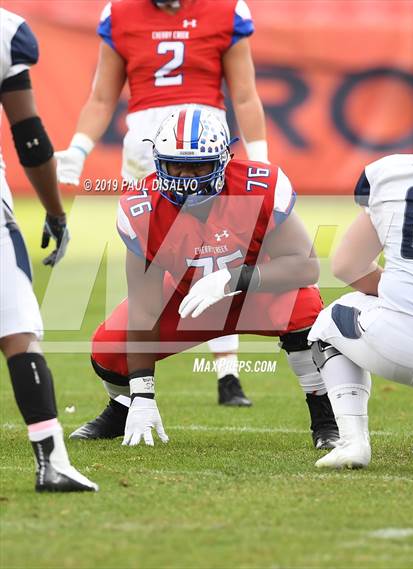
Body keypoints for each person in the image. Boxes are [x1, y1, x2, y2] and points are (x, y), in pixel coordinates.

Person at [77, 107, 340, 449]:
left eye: (199, 165)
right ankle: (123, 408)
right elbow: (144, 307)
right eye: (177, 165)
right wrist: (143, 392)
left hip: (256, 294)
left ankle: (324, 418)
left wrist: (232, 279)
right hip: (190, 302)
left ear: (222, 161)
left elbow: (305, 267)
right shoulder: (142, 208)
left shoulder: (258, 185)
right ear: (159, 162)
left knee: (303, 305)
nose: (187, 176)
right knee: (109, 347)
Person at [55, 0, 270, 411]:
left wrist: (259, 160)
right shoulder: (119, 13)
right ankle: (131, 385)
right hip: (146, 147)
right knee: (145, 262)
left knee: (221, 255)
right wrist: (78, 149)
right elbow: (102, 97)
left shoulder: (224, 10)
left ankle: (227, 373)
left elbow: (245, 95)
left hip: (207, 145)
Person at [0, 8, 98, 492]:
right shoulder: (6, 31)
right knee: (17, 330)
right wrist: (56, 212)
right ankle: (51, 460)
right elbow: (30, 137)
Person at [308, 152, 413, 469]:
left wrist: (403, 292)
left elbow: (347, 266)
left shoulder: (389, 173)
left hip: (402, 342)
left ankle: (352, 442)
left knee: (331, 320)